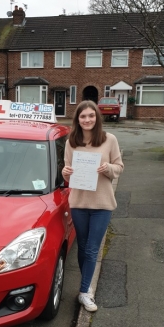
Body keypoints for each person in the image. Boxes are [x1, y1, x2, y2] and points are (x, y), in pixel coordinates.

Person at [62, 100, 124, 312]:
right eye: (83, 116)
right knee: (83, 248)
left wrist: (108, 168)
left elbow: (119, 167)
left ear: (96, 117)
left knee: (91, 249)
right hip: (79, 203)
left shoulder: (109, 140)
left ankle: (83, 292)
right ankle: (86, 284)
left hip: (102, 204)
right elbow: (67, 168)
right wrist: (65, 173)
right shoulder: (72, 141)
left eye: (91, 116)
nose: (87, 120)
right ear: (77, 120)